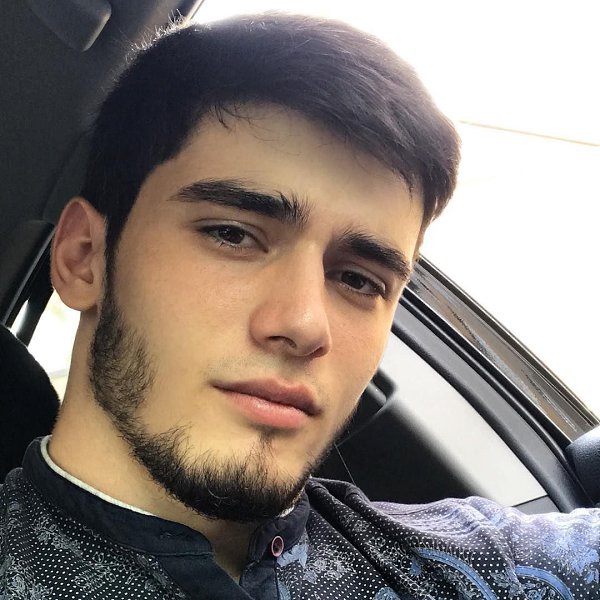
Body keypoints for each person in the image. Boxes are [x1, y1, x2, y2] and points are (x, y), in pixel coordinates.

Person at [1, 12, 598, 600]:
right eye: (233, 235)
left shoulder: (483, 561)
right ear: (85, 259)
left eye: (358, 280)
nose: (305, 325)